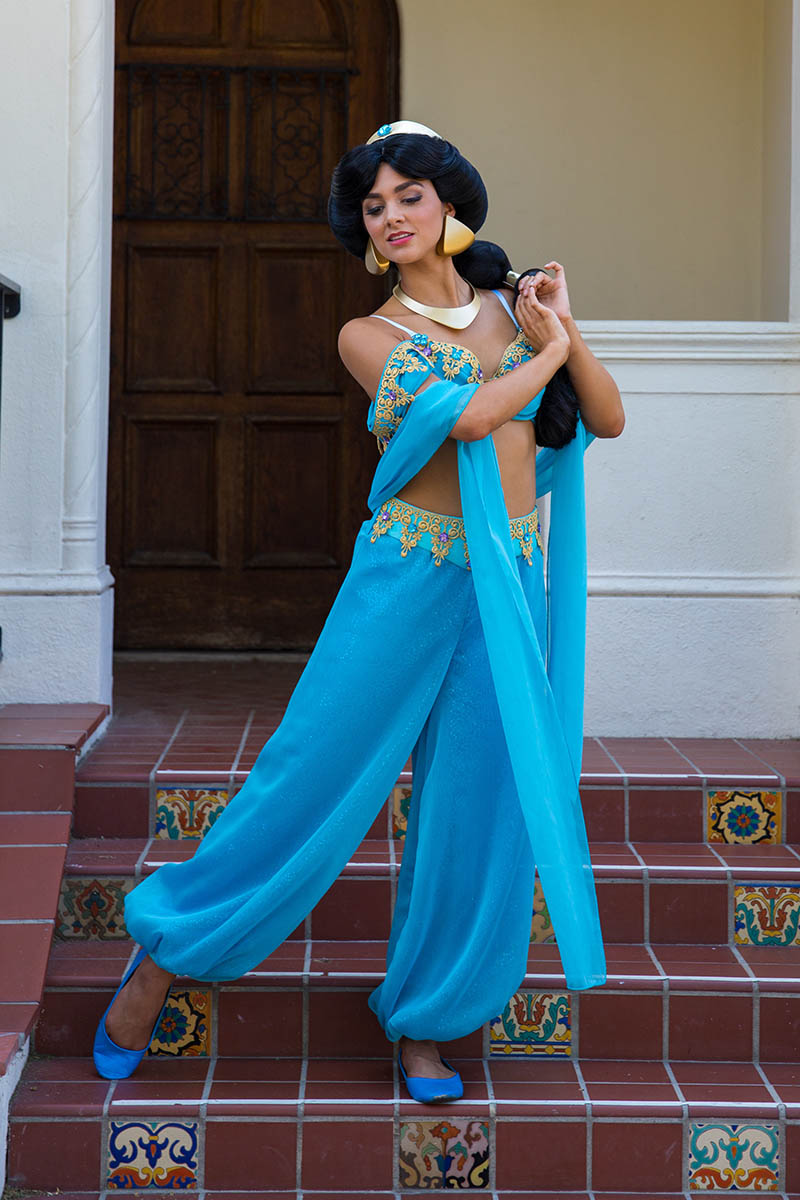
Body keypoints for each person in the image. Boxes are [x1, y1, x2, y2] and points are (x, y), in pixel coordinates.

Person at [93, 119, 625, 1104]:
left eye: (408, 197)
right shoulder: (370, 335)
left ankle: (428, 1022)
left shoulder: (514, 312)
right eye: (374, 207)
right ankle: (166, 953)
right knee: (313, 775)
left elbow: (607, 418)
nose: (391, 217)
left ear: (450, 203)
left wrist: (563, 329)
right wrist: (544, 350)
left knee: (479, 803)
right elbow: (472, 418)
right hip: (407, 577)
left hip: (508, 583)